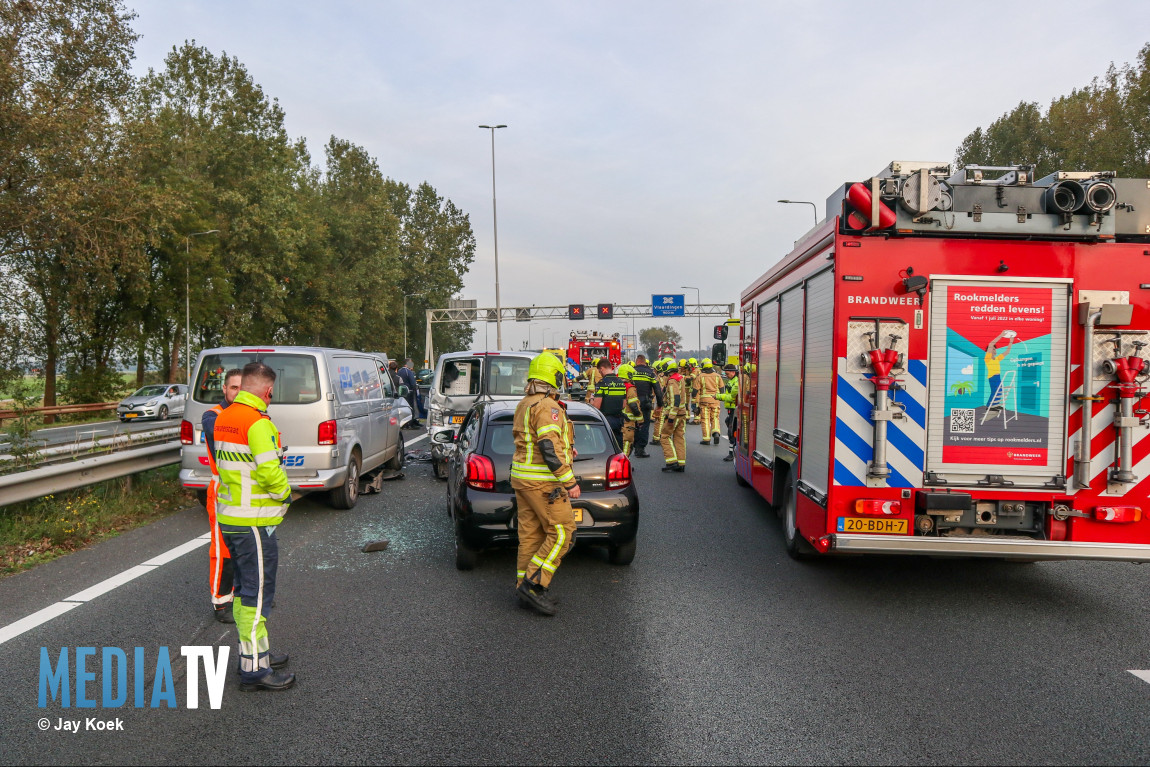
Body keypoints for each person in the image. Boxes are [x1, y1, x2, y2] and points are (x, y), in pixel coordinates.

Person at [214, 362, 296, 691]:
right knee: (257, 595)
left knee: (242, 591)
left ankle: (257, 655)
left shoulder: (225, 418)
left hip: (231, 518)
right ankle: (254, 671)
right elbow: (268, 472)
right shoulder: (257, 423)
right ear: (268, 391)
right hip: (253, 522)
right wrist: (286, 495)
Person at [511, 352, 581, 616]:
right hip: (543, 482)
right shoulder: (548, 406)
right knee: (564, 533)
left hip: (522, 478)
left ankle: (522, 585)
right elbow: (547, 446)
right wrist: (569, 480)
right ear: (554, 377)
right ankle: (533, 584)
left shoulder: (525, 403)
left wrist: (567, 449)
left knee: (530, 536)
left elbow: (535, 441)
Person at [201, 368, 243, 624]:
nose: (238, 392)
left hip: (246, 490)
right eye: (233, 387)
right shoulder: (212, 416)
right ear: (225, 390)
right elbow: (223, 441)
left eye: (242, 388)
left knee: (246, 545)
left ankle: (241, 594)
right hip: (223, 489)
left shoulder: (251, 415)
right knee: (223, 548)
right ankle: (220, 601)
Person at [590, 358, 627, 451]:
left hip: (605, 420)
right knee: (618, 448)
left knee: (605, 449)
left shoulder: (602, 384)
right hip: (619, 420)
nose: (599, 373)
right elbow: (624, 404)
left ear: (602, 369)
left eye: (599, 371)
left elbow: (597, 406)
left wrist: (591, 399)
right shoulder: (621, 383)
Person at [629, 355, 662, 458]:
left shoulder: (631, 372)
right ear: (644, 362)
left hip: (632, 403)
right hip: (645, 402)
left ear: (636, 361)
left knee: (632, 424)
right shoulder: (651, 373)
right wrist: (660, 404)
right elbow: (658, 390)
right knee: (644, 425)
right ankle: (640, 449)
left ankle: (630, 447)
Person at [660, 361, 688, 472]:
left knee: (664, 436)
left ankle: (671, 462)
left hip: (674, 414)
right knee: (679, 438)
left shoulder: (672, 381)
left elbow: (675, 399)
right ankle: (681, 464)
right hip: (682, 413)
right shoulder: (680, 377)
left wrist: (671, 416)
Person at [615, 363, 644, 456]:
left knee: (617, 442)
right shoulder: (630, 388)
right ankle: (623, 464)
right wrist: (640, 419)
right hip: (628, 420)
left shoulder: (614, 385)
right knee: (627, 442)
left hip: (616, 418)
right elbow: (633, 405)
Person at [694, 358, 723, 445]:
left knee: (705, 420)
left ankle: (706, 439)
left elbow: (695, 391)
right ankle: (716, 433)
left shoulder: (700, 376)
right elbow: (722, 390)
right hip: (716, 401)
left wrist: (695, 403)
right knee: (715, 418)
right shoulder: (718, 376)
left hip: (704, 402)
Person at [984, 331, 1015, 408]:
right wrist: (1001, 335)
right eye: (992, 349)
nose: (994, 350)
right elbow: (990, 344)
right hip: (992, 377)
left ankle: (995, 405)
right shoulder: (987, 358)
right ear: (989, 351)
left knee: (999, 392)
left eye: (994, 349)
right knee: (995, 392)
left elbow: (1007, 352)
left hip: (998, 377)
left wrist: (1011, 341)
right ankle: (989, 406)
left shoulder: (997, 359)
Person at [717, 363, 740, 461]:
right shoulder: (732, 381)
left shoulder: (736, 382)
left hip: (735, 410)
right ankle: (734, 446)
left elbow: (732, 397)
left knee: (731, 432)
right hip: (731, 410)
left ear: (733, 372)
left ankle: (731, 453)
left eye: (727, 374)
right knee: (728, 424)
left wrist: (718, 396)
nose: (726, 375)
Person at [397, 358, 420, 427]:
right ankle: (411, 422)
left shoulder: (399, 371)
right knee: (410, 407)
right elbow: (413, 383)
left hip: (401, 392)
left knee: (403, 407)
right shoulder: (408, 372)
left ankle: (405, 423)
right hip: (409, 391)